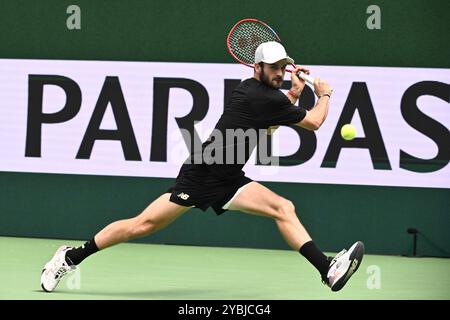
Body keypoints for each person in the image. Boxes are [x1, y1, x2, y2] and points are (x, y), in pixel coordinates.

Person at [40, 41, 364, 293]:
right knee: (142, 225)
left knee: (283, 207)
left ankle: (327, 269)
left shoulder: (264, 95)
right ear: (258, 67)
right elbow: (316, 122)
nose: (280, 73)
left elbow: (270, 125)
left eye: (284, 67)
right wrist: (324, 94)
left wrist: (294, 92)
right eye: (274, 68)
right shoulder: (260, 96)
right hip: (203, 172)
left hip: (229, 177)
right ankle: (69, 258)